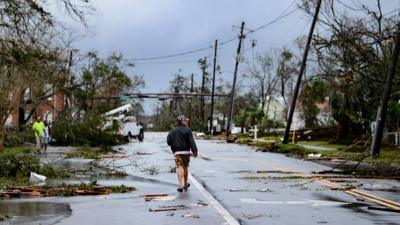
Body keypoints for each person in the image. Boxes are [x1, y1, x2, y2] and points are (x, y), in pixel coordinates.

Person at [167, 115, 198, 192]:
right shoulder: (188, 130)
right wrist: (195, 151)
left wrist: (174, 146)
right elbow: (191, 141)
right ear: (182, 121)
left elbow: (168, 141)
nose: (187, 122)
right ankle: (185, 184)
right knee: (185, 167)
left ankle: (180, 185)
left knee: (179, 167)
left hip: (177, 152)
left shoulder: (172, 131)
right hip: (186, 152)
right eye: (186, 120)